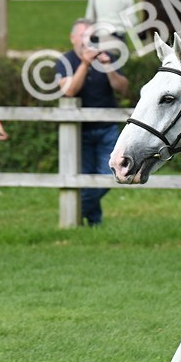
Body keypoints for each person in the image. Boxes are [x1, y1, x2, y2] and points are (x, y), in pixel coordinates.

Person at [57, 18, 129, 227]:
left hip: (107, 128)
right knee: (84, 176)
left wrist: (108, 68)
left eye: (92, 36)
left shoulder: (108, 57)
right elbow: (69, 91)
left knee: (111, 174)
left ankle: (78, 210)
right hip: (79, 131)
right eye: (83, 36)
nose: (88, 40)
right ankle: (94, 222)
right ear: (73, 38)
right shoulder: (65, 61)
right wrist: (85, 64)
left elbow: (123, 88)